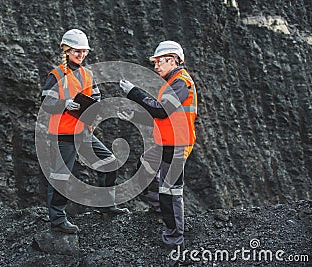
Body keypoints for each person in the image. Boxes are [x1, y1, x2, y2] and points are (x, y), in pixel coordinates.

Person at [41, 29, 129, 234]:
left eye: (83, 51)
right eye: (76, 51)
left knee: (109, 163)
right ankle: (57, 220)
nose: (80, 55)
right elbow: (46, 103)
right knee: (61, 176)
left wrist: (93, 108)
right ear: (66, 50)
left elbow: (96, 98)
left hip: (83, 132)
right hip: (63, 134)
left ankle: (106, 205)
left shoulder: (87, 75)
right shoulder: (56, 75)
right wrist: (65, 104)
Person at [118, 41, 197, 249]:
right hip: (165, 142)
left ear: (172, 60)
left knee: (170, 191)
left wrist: (133, 92)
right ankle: (158, 210)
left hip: (177, 145)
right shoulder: (170, 83)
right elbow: (162, 117)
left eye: (159, 62)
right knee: (144, 172)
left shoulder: (181, 82)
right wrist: (134, 116)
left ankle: (174, 239)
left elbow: (161, 110)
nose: (156, 66)